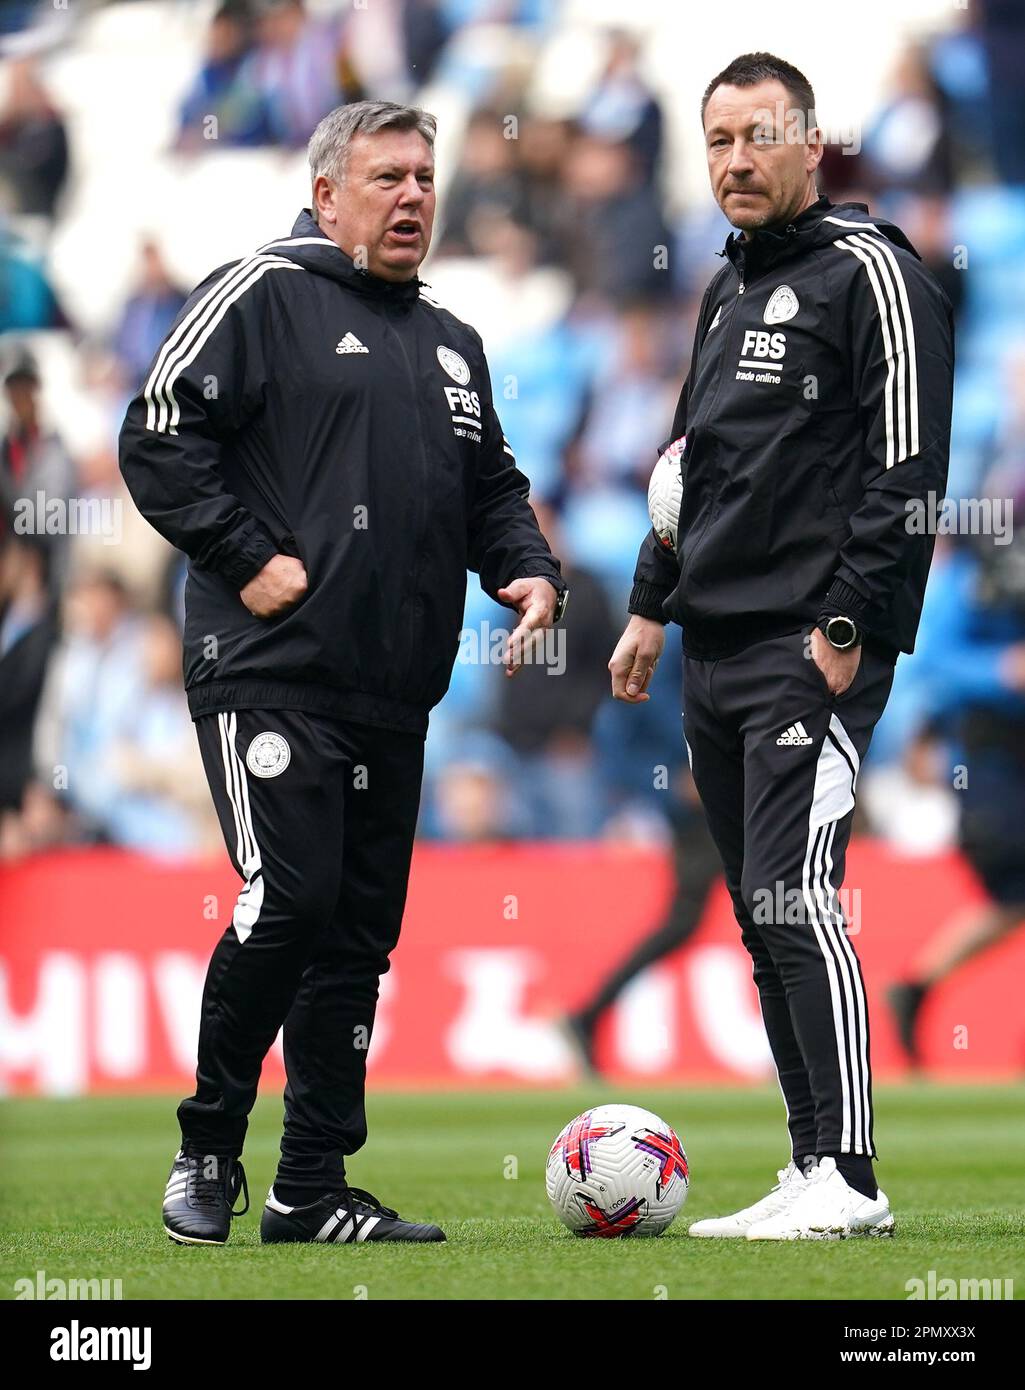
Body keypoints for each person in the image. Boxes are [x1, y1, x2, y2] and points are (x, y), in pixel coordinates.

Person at [118, 100, 567, 1247]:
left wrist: (524, 571)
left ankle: (309, 1186)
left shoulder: (451, 341)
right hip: (267, 669)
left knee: (356, 945)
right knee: (289, 901)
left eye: (425, 176)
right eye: (387, 178)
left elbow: (491, 490)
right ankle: (207, 1147)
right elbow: (157, 431)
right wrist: (243, 555)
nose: (414, 195)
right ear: (328, 195)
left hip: (391, 691)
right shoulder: (260, 291)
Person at [609, 52, 954, 1240]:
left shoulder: (873, 271)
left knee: (801, 894)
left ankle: (851, 1175)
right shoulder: (722, 287)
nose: (734, 160)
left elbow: (907, 470)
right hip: (712, 646)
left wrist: (852, 623)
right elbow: (683, 467)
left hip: (812, 644)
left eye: (758, 135)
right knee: (760, 909)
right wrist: (652, 604)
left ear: (810, 143)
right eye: (716, 141)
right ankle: (809, 1160)